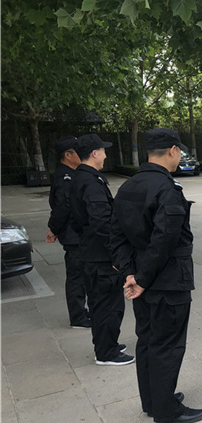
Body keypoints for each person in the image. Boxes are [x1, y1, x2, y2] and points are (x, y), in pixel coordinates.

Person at [111, 128, 202, 423]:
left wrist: (130, 272)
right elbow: (164, 240)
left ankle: (153, 400)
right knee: (167, 344)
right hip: (167, 281)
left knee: (148, 340)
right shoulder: (167, 189)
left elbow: (116, 236)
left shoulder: (128, 186)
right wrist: (141, 278)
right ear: (173, 150)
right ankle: (166, 410)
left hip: (142, 280)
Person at [70, 134, 132, 366]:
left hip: (91, 251)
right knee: (109, 305)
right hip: (101, 257)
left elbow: (78, 220)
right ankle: (107, 353)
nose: (106, 155)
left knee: (100, 304)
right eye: (103, 151)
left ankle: (106, 344)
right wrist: (117, 252)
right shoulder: (90, 182)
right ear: (94, 153)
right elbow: (102, 222)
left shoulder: (82, 177)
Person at [46, 136, 91, 328]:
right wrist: (54, 228)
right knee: (76, 277)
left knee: (81, 275)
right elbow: (63, 206)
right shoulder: (65, 178)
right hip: (74, 235)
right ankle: (78, 317)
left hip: (77, 233)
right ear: (68, 155)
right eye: (78, 152)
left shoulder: (72, 174)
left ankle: (81, 311)